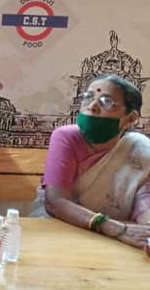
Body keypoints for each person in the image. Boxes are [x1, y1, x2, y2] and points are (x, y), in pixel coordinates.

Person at [42, 73, 150, 250]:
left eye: (106, 101)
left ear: (130, 118)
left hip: (116, 242)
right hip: (62, 230)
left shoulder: (140, 150)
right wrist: (112, 228)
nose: (92, 106)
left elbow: (145, 208)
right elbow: (55, 202)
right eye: (88, 97)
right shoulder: (66, 137)